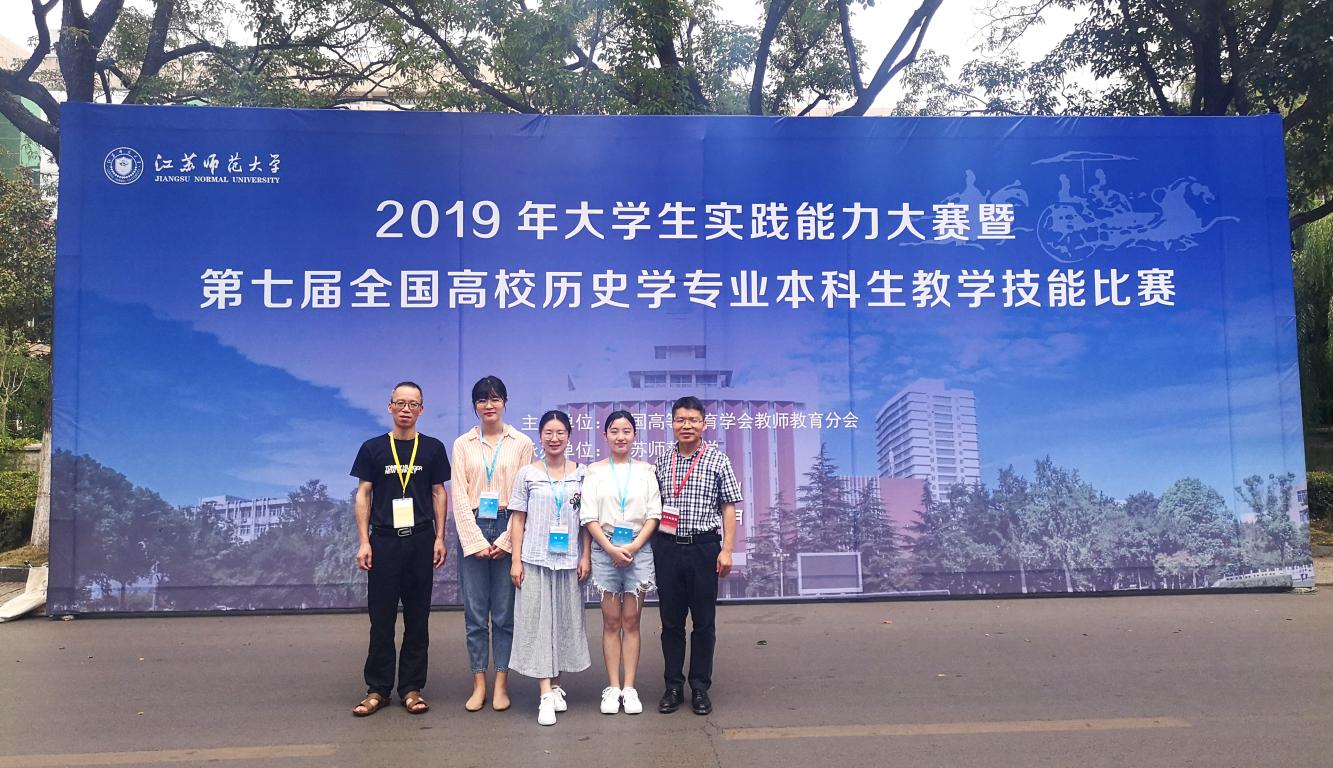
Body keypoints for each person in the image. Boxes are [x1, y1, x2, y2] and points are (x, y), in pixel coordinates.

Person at [350, 381, 450, 717]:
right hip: (384, 541)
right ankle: (377, 689)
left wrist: (439, 537)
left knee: (418, 619)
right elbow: (364, 494)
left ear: (422, 409)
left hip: (421, 539)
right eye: (400, 403)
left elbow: (438, 493)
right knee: (381, 619)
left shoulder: (433, 448)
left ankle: (411, 688)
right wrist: (364, 541)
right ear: (390, 406)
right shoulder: (373, 448)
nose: (406, 409)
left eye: (413, 404)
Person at [652, 395, 742, 716]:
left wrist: (727, 549)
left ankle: (700, 686)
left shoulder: (718, 460)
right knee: (670, 622)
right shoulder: (662, 461)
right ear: (672, 424)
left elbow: (728, 507)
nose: (686, 425)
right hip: (667, 548)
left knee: (704, 622)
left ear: (704, 424)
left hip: (704, 547)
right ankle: (673, 686)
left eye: (693, 420)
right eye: (680, 420)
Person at [451, 375, 534, 712]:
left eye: (495, 398)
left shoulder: (521, 443)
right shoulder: (462, 444)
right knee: (474, 615)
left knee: (503, 614)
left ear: (505, 402)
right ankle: (479, 684)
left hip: (508, 522)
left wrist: (506, 540)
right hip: (472, 523)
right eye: (482, 400)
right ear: (475, 406)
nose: (489, 405)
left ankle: (501, 683)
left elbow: (524, 496)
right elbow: (458, 496)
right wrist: (474, 541)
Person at [508, 410, 592, 726]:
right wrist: (516, 559)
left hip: (569, 559)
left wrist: (585, 556)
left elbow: (587, 521)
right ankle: (544, 693)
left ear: (569, 436)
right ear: (540, 437)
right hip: (534, 559)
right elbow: (518, 519)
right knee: (538, 622)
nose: (554, 438)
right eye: (548, 433)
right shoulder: (527, 474)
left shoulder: (582, 475)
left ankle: (556, 686)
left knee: (564, 621)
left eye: (560, 433)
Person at [580, 411, 661, 715]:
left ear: (635, 435)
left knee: (632, 622)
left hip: (639, 548)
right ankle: (613, 688)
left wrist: (635, 546)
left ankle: (630, 688)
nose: (620, 436)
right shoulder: (594, 472)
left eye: (627, 431)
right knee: (611, 622)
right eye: (614, 431)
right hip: (605, 550)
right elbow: (588, 516)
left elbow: (654, 514)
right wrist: (611, 549)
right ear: (605, 436)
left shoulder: (646, 471)